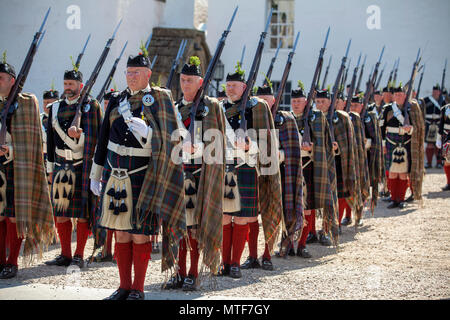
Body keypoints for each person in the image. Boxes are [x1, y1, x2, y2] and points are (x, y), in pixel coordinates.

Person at [90, 49, 185, 300]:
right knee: (121, 232)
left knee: (140, 233)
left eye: (136, 73)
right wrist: (95, 173)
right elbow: (102, 139)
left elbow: (175, 139)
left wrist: (149, 134)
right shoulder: (115, 99)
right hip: (114, 172)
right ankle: (123, 286)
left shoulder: (161, 98)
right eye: (128, 72)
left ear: (148, 74)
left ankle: (138, 289)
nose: (131, 77)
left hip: (145, 175)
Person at [163, 56, 225, 291]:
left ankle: (192, 273)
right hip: (178, 173)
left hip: (201, 174)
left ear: (200, 82)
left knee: (196, 227)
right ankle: (178, 272)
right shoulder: (176, 107)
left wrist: (198, 147)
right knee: (179, 224)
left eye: (190, 80)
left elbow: (219, 144)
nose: (185, 84)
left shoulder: (211, 107)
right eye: (182, 80)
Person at [219, 63, 282, 277]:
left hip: (246, 167)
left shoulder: (258, 107)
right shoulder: (220, 108)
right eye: (228, 85)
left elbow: (266, 143)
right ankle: (224, 262)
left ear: (244, 86)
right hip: (224, 167)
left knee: (243, 217)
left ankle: (236, 262)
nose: (230, 89)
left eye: (234, 85)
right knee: (225, 217)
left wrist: (249, 146)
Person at [0, 56, 53, 279]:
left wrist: (9, 150)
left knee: (13, 216)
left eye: (0, 78)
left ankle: (12, 262)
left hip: (17, 168)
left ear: (12, 80)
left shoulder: (26, 103)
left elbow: (31, 143)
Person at [45, 62, 102, 269]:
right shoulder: (56, 107)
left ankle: (79, 254)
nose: (67, 87)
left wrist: (82, 136)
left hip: (81, 165)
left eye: (71, 83)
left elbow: (97, 138)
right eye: (65, 83)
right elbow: (51, 142)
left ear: (81, 84)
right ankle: (65, 254)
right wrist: (50, 170)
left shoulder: (91, 106)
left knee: (81, 213)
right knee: (61, 212)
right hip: (61, 165)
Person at [380, 83, 425, 209]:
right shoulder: (388, 109)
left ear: (405, 96)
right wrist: (383, 144)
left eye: (401, 94)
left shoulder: (412, 109)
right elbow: (382, 128)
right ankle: (394, 198)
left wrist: (410, 129)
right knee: (393, 173)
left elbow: (419, 127)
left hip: (406, 143)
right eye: (396, 94)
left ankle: (401, 199)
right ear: (393, 96)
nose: (399, 97)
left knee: (403, 174)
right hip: (390, 143)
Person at [420, 84, 446, 169]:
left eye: (437, 91)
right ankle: (429, 162)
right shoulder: (426, 100)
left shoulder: (443, 101)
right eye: (434, 91)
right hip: (429, 123)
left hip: (438, 124)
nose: (435, 93)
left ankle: (439, 162)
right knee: (430, 144)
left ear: (439, 92)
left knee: (438, 145)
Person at [436, 102, 450, 190]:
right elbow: (441, 125)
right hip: (446, 137)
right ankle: (449, 183)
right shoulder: (445, 109)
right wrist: (438, 138)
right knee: (446, 161)